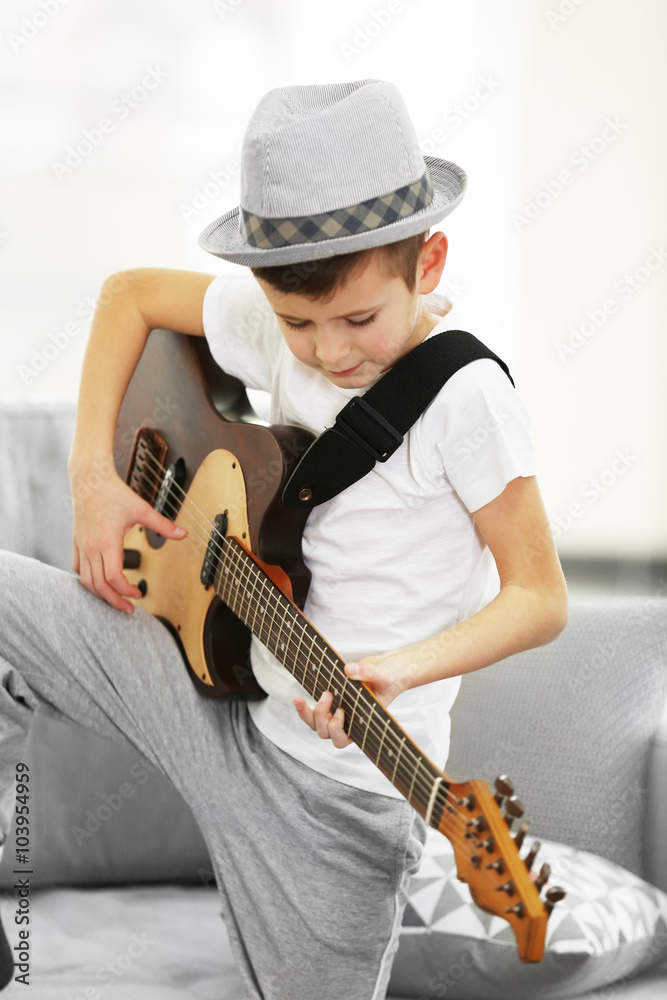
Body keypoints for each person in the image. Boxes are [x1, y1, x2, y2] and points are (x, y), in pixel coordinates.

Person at [0, 79, 568, 998]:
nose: (329, 352)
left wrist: (402, 666)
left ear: (428, 262)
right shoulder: (276, 333)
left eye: (357, 319)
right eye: (297, 323)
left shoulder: (468, 402)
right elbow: (128, 296)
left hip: (342, 807)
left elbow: (539, 600)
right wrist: (93, 482)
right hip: (218, 710)